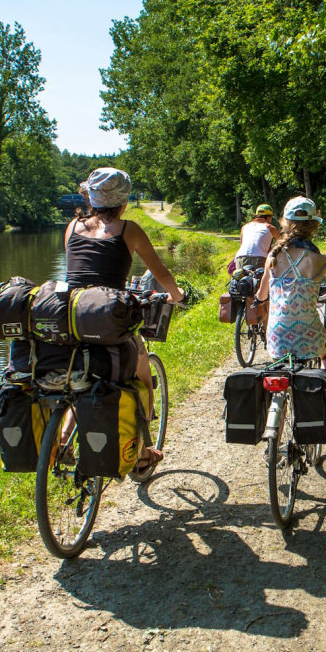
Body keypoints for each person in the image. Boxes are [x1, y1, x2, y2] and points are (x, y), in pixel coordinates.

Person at [66, 167, 185, 473]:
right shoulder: (127, 230)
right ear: (123, 201)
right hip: (109, 319)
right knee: (142, 375)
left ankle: (63, 439)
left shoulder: (72, 227)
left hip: (69, 317)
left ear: (91, 197)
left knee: (79, 380)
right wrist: (177, 295)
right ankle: (143, 453)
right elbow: (160, 273)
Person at [256, 196, 326, 426]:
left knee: (281, 376)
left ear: (283, 223)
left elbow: (262, 296)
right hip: (308, 335)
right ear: (314, 226)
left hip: (276, 336)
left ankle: (276, 433)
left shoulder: (273, 256)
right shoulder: (321, 261)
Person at [232, 203, 281, 272]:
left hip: (240, 257)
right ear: (269, 217)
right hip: (260, 258)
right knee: (261, 281)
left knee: (242, 281)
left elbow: (242, 243)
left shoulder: (245, 227)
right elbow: (280, 245)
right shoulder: (270, 228)